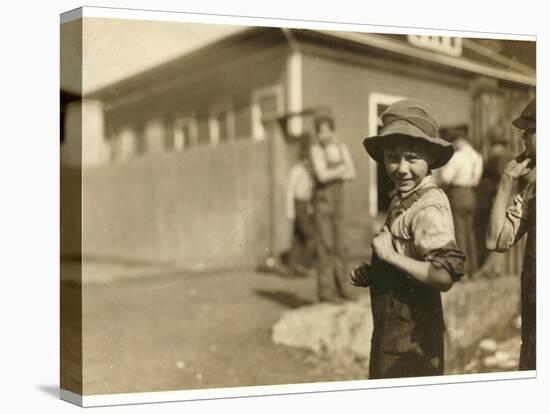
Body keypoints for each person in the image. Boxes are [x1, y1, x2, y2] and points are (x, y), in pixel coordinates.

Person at [351, 99, 465, 379]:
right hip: (392, 334)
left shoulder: (428, 206)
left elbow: (442, 276)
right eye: (393, 157)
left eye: (412, 158)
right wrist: (377, 271)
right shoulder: (403, 198)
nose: (401, 168)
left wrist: (390, 257)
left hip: (413, 345)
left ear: (430, 161)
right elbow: (407, 254)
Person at [486, 98, 536, 371]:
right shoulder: (533, 192)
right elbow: (494, 241)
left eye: (531, 129)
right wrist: (507, 181)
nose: (523, 136)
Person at [310, 113, 356, 303]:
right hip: (323, 203)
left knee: (341, 246)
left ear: (333, 131)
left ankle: (342, 287)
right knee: (326, 246)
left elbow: (352, 172)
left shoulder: (341, 148)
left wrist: (335, 171)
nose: (324, 136)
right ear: (317, 134)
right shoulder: (315, 150)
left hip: (339, 203)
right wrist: (340, 170)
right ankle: (326, 292)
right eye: (320, 132)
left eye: (327, 131)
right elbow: (321, 176)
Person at [436, 126, 483, 277]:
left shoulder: (457, 157)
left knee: (460, 233)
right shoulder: (476, 156)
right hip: (471, 193)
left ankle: (463, 269)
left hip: (458, 194)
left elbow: (446, 178)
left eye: (454, 141)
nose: (453, 144)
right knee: (471, 233)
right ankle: (473, 269)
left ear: (459, 141)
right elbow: (476, 178)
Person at [474, 126, 511, 278]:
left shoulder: (497, 158)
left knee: (497, 233)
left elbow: (501, 180)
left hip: (499, 198)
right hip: (505, 197)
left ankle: (495, 269)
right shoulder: (508, 156)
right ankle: (496, 268)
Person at [281, 139, 316, 276]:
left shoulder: (308, 172)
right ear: (302, 158)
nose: (308, 161)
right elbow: (290, 191)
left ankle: (293, 267)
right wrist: (290, 211)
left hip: (305, 204)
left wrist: (309, 207)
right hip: (298, 203)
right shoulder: (296, 170)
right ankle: (303, 265)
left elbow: (309, 191)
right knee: (308, 234)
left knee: (297, 237)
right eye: (306, 158)